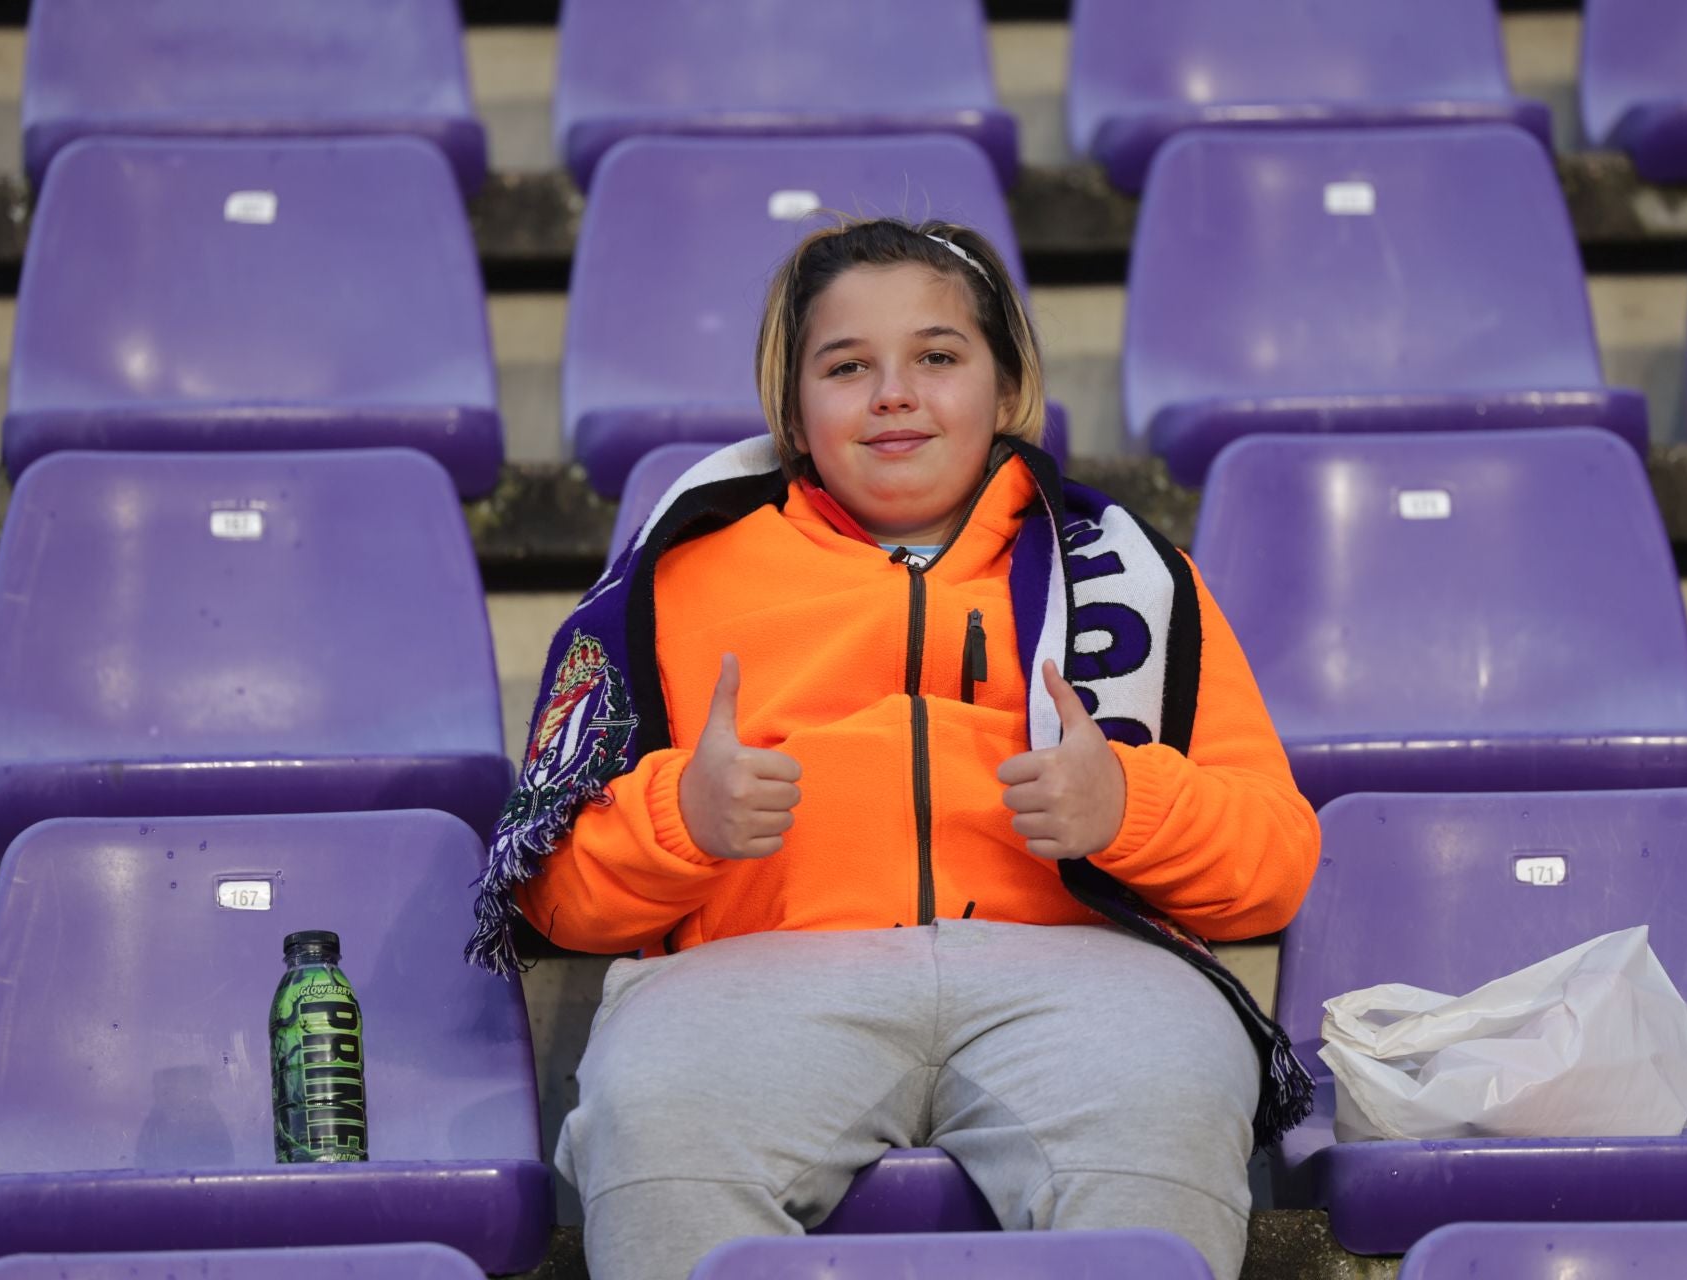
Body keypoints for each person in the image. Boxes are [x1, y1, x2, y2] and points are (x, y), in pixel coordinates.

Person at [469, 217, 1321, 1280]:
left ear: (1008, 388)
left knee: (1162, 1117)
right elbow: (552, 891)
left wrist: (1126, 809)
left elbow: (1274, 864)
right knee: (659, 1124)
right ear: (792, 407)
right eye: (846, 366)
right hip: (751, 980)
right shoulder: (672, 576)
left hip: (1087, 981)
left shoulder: (1133, 578)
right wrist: (683, 815)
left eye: (937, 356)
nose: (894, 394)